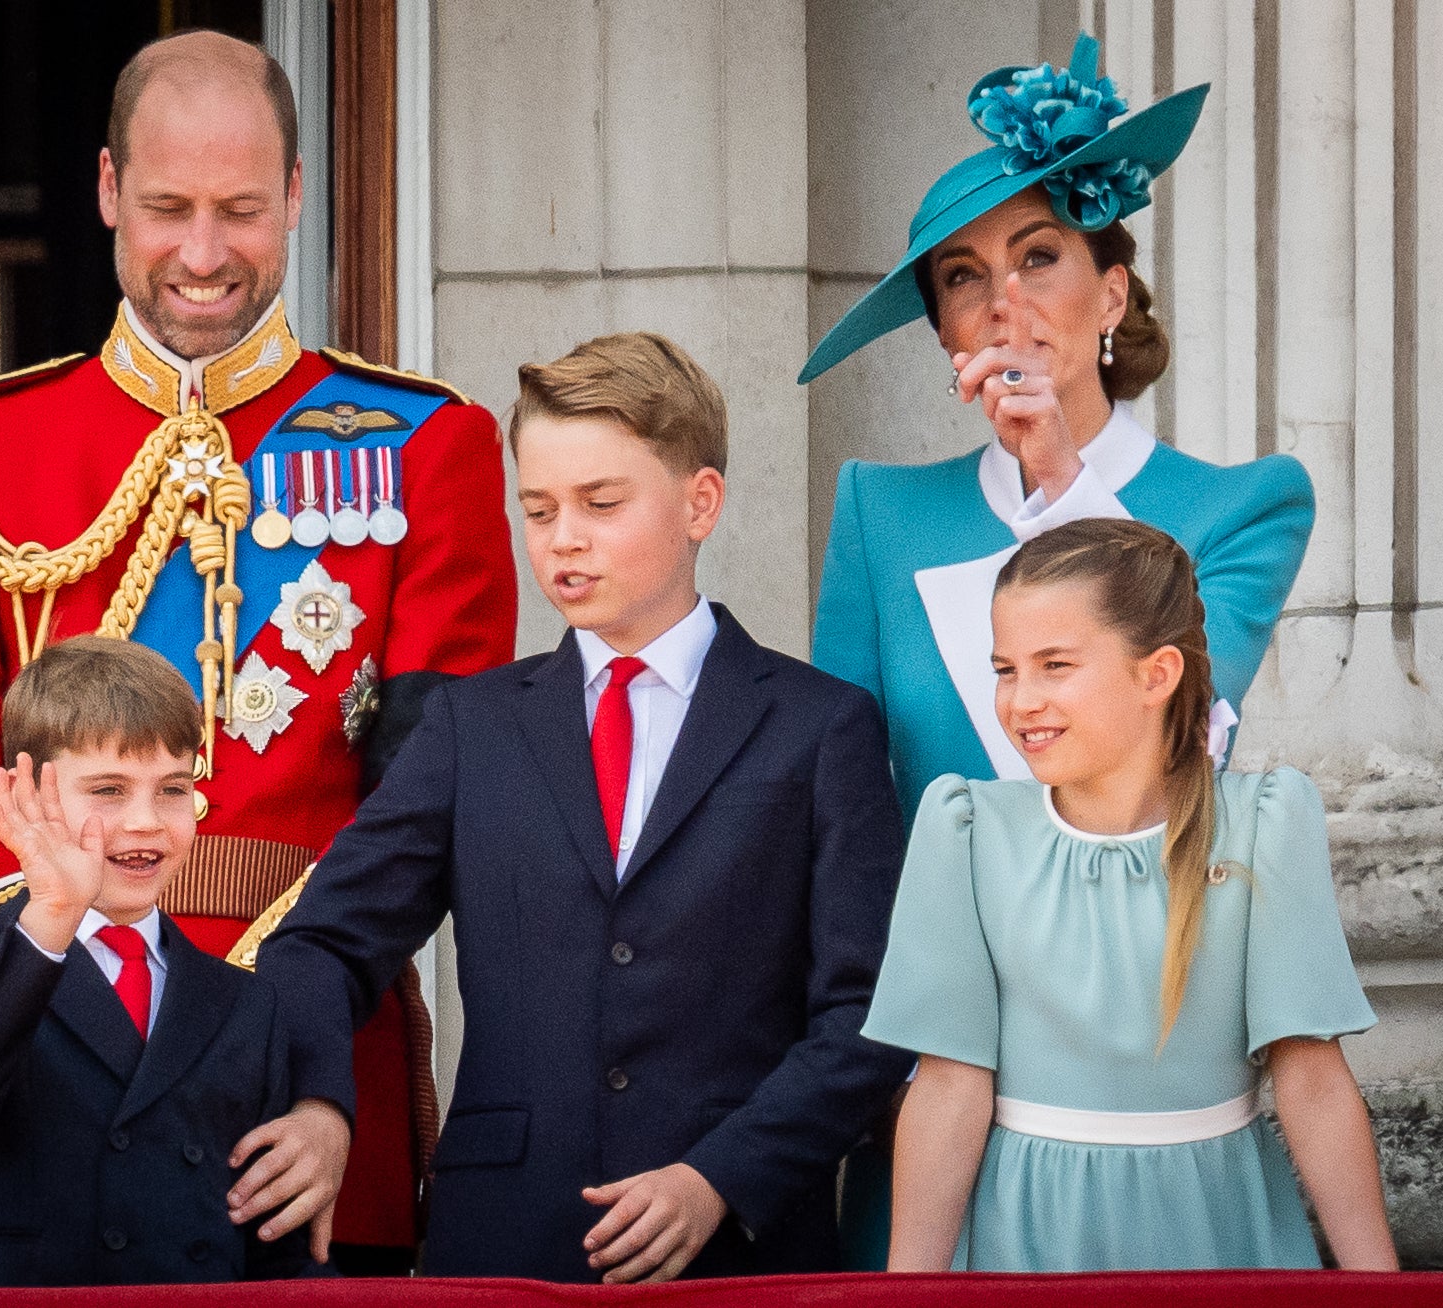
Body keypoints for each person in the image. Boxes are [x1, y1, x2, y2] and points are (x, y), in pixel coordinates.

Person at [0, 30, 516, 1268]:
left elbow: (428, 805)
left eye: (239, 211)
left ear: (295, 198)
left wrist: (295, 1032)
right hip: (43, 1039)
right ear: (109, 190)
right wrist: (60, 967)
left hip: (308, 1065)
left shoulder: (428, 443)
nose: (204, 255)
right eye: (168, 209)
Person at [254, 332, 911, 1283]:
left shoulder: (820, 728)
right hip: (504, 1242)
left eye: (601, 504)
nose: (563, 538)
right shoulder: (467, 727)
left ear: (701, 502)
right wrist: (320, 1104)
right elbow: (322, 944)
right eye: (538, 509)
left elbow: (868, 1012)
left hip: (740, 1248)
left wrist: (717, 1178)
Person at [803, 32, 1313, 828]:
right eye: (963, 276)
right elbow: (838, 803)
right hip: (940, 944)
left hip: (1149, 944)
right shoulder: (880, 513)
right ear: (947, 334)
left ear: (1111, 297)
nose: (1005, 300)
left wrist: (1058, 472)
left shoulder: (1245, 505)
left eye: (1037, 256)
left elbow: (1181, 731)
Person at [863, 518, 1397, 1272]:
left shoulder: (1261, 825)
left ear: (1156, 674)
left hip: (1216, 1226)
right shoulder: (967, 831)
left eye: (1054, 665)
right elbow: (949, 1089)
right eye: (1005, 669)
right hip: (1026, 1234)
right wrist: (907, 1293)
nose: (1020, 701)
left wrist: (1378, 1288)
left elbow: (1308, 1078)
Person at [0, 637, 310, 1287]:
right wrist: (52, 914)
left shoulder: (246, 1002)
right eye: (108, 790)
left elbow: (270, 1246)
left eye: (173, 789)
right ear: (27, 792)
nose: (145, 821)